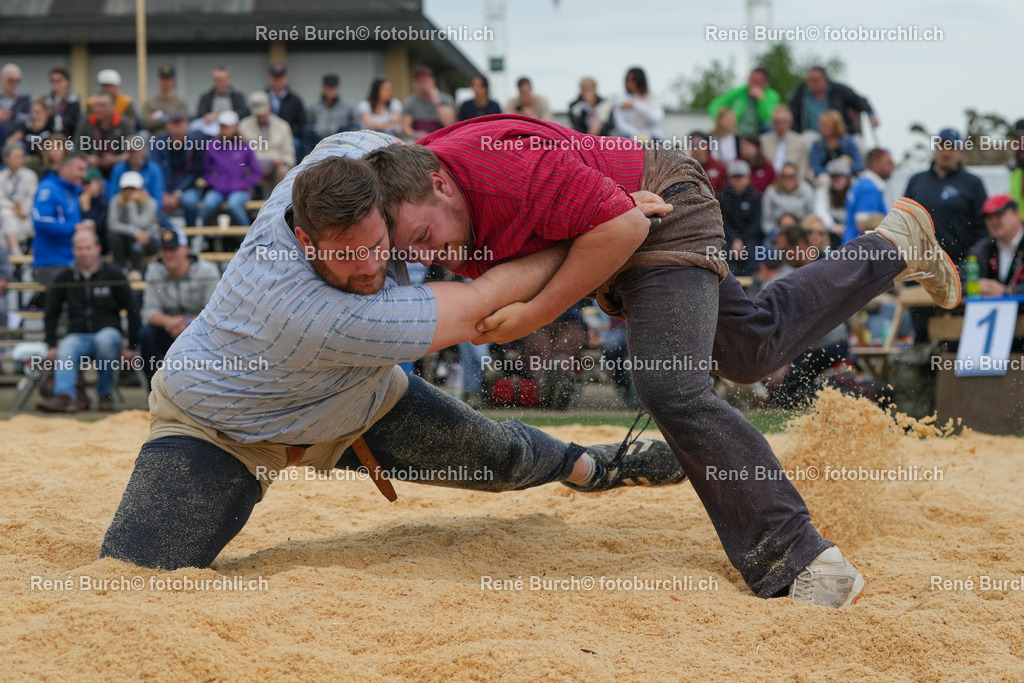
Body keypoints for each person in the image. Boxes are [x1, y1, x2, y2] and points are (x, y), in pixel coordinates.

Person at [366, 114, 963, 607]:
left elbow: (622, 227)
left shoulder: (503, 171)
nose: (427, 255)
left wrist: (534, 314)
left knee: (670, 386)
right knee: (751, 349)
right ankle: (895, 244)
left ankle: (802, 556)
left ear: (442, 185)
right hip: (626, 221)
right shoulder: (424, 188)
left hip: (662, 211)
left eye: (422, 237)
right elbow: (569, 240)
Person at [99, 130, 687, 572]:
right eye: (346, 256)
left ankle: (598, 467)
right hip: (220, 426)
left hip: (356, 400)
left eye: (381, 246)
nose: (370, 268)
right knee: (135, 574)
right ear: (303, 239)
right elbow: (483, 302)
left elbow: (460, 164)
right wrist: (602, 222)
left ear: (387, 205)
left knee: (503, 456)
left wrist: (594, 205)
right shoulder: (311, 310)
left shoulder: (348, 153)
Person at [36, 229, 140, 413]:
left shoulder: (114, 274)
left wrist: (131, 346)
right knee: (66, 347)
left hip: (108, 332)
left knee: (105, 340)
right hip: (77, 334)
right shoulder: (65, 276)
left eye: (88, 247)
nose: (84, 252)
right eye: (79, 248)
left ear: (98, 248)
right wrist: (51, 344)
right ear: (74, 250)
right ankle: (65, 397)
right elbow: (51, 312)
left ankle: (105, 395)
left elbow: (133, 309)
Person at [139, 228, 220, 384]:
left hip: (199, 330)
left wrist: (188, 324)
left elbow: (215, 311)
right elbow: (150, 312)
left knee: (216, 330)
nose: (168, 254)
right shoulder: (154, 270)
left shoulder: (207, 270)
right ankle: (154, 392)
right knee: (146, 334)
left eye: (173, 249)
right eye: (164, 249)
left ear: (186, 250)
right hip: (170, 329)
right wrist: (171, 322)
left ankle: (209, 388)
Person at [904, 128, 988, 266]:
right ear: (935, 149)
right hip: (920, 266)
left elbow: (984, 228)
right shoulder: (916, 181)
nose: (946, 152)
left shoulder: (973, 183)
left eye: (952, 147)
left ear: (961, 152)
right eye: (942, 146)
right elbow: (904, 220)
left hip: (959, 266)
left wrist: (973, 259)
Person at [31, 153, 93, 285]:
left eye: (85, 170)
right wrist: (74, 228)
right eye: (80, 169)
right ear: (65, 168)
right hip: (51, 262)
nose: (83, 174)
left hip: (71, 260)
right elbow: (41, 221)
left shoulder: (73, 192)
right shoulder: (49, 189)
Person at [199, 110, 261, 227]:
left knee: (234, 204)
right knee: (208, 204)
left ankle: (248, 238)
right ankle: (201, 237)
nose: (225, 129)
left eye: (227, 126)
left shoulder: (245, 146)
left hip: (240, 191)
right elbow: (206, 171)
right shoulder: (213, 145)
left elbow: (256, 172)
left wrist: (243, 184)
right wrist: (213, 182)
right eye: (222, 126)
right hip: (218, 190)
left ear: (235, 127)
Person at [150, 110, 204, 227]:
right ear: (167, 125)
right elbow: (155, 169)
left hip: (186, 188)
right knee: (153, 202)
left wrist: (178, 193)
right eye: (174, 122)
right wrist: (163, 192)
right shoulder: (158, 142)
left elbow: (194, 172)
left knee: (190, 202)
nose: (178, 126)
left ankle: (191, 237)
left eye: (181, 122)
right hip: (163, 187)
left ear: (187, 125)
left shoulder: (196, 143)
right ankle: (168, 237)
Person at [790, 66, 878, 138]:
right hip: (813, 137)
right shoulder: (800, 94)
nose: (811, 83)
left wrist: (872, 114)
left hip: (841, 135)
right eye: (810, 80)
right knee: (806, 139)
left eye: (815, 80)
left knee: (858, 144)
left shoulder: (838, 90)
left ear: (825, 80)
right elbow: (791, 114)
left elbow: (859, 101)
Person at [968, 195, 1024, 296]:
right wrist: (974, 286)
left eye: (999, 214)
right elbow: (960, 282)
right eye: (989, 217)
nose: (994, 221)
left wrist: (1007, 292)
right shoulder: (982, 249)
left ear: (1017, 214)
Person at [107, 170, 160, 275]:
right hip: (125, 240)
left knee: (137, 240)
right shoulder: (115, 201)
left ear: (141, 189)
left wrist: (131, 205)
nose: (129, 192)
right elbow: (112, 224)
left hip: (148, 240)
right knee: (115, 238)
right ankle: (119, 270)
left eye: (133, 189)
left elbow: (142, 225)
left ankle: (137, 271)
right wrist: (132, 230)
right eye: (126, 189)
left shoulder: (151, 203)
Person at [239, 91, 294, 189]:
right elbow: (240, 153)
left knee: (283, 171)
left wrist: (282, 161)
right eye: (257, 114)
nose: (260, 116)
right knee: (241, 169)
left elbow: (289, 155)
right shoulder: (243, 125)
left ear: (269, 107)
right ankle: (243, 200)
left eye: (262, 113)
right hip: (252, 167)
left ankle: (280, 203)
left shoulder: (283, 126)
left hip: (275, 167)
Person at [73, 91, 136, 176]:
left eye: (103, 106)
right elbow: (76, 149)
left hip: (118, 167)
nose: (98, 109)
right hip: (91, 167)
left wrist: (115, 159)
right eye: (96, 105)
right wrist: (88, 158)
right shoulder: (85, 123)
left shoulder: (124, 123)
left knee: (121, 168)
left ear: (112, 107)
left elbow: (132, 152)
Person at [843, 148, 894, 243]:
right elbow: (864, 225)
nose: (893, 167)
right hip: (859, 252)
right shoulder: (869, 188)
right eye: (889, 163)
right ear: (875, 163)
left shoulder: (862, 183)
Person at [708, 67, 780, 136]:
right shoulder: (738, 92)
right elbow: (714, 106)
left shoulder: (772, 96)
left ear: (766, 82)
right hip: (736, 130)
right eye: (752, 79)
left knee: (769, 126)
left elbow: (768, 119)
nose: (754, 83)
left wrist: (761, 100)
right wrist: (722, 121)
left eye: (758, 80)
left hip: (759, 133)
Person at [719, 159, 762, 274]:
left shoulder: (755, 197)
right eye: (735, 178)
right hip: (728, 238)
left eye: (740, 178)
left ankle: (753, 282)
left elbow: (755, 223)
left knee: (753, 251)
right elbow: (723, 222)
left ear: (747, 178)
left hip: (749, 237)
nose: (738, 181)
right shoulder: (723, 197)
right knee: (722, 252)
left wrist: (742, 240)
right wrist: (735, 239)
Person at [0, 140, 38, 255]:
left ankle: (19, 255)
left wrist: (23, 211)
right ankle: (15, 254)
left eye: (22, 156)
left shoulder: (30, 175)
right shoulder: (1, 177)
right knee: (5, 216)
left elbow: (33, 198)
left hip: (26, 216)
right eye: (16, 157)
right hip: (9, 216)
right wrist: (13, 207)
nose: (20, 160)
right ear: (6, 159)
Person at [402, 66, 455, 141]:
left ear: (433, 81)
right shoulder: (410, 101)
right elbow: (406, 128)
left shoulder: (446, 99)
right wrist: (416, 134)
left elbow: (448, 123)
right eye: (419, 81)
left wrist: (437, 101)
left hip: (441, 139)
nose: (423, 85)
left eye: (425, 81)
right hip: (418, 141)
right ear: (414, 84)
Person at [265, 63, 307, 158]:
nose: (278, 81)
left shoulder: (295, 99)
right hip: (265, 136)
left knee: (296, 144)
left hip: (289, 136)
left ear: (286, 78)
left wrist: (286, 134)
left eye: (280, 78)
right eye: (275, 78)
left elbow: (302, 122)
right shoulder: (263, 97)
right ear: (270, 79)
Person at [611, 67, 664, 141]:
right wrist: (636, 135)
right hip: (629, 137)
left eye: (633, 80)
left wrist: (636, 106)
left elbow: (656, 119)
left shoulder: (652, 98)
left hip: (652, 137)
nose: (629, 83)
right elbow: (619, 123)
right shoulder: (621, 99)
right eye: (628, 80)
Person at [760, 105, 809, 182]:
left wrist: (795, 183)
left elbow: (802, 167)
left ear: (790, 122)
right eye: (777, 122)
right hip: (768, 182)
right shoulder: (763, 141)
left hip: (793, 182)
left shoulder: (799, 142)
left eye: (784, 122)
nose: (780, 125)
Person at [762, 162, 814, 234]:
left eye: (791, 176)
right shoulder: (771, 191)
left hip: (801, 232)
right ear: (780, 177)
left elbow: (810, 217)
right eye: (784, 176)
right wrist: (776, 232)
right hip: (776, 232)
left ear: (797, 177)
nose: (787, 180)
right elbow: (766, 220)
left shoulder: (806, 191)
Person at [809, 110, 863, 178]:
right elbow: (816, 168)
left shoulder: (848, 142)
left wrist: (846, 168)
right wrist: (833, 173)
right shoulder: (817, 145)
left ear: (835, 126)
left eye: (825, 125)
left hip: (848, 177)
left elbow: (859, 165)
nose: (820, 128)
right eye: (820, 124)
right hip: (827, 180)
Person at [141, 64, 189, 136]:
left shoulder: (181, 103)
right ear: (158, 80)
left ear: (173, 81)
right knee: (143, 135)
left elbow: (184, 123)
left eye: (168, 79)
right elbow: (145, 123)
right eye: (163, 79)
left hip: (175, 137)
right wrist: (168, 118)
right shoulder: (150, 103)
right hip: (154, 137)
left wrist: (159, 118)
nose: (165, 82)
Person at [307, 74, 357, 140]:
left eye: (333, 88)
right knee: (307, 130)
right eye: (329, 88)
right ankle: (310, 151)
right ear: (323, 88)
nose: (331, 91)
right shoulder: (314, 106)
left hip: (339, 139)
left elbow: (356, 126)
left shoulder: (347, 107)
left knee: (344, 128)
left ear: (338, 88)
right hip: (318, 139)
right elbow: (309, 123)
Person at [814, 158, 853, 240]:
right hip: (831, 230)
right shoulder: (824, 190)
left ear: (847, 177)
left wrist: (848, 227)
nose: (836, 180)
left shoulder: (855, 190)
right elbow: (820, 211)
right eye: (833, 176)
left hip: (852, 229)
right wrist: (832, 226)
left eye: (840, 176)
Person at [43, 65, 81, 136]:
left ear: (67, 81)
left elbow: (75, 123)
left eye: (59, 81)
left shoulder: (73, 100)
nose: (55, 84)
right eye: (53, 81)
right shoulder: (46, 100)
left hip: (68, 138)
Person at [0, 63, 32, 148]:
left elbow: (25, 126)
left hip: (16, 143)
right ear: (2, 79)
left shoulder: (24, 101)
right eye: (10, 80)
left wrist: (10, 141)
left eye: (17, 81)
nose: (14, 84)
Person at [687, 130, 727, 196]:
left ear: (707, 145)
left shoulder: (719, 166)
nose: (697, 148)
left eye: (701, 144)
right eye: (694, 145)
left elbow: (724, 190)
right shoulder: (686, 167)